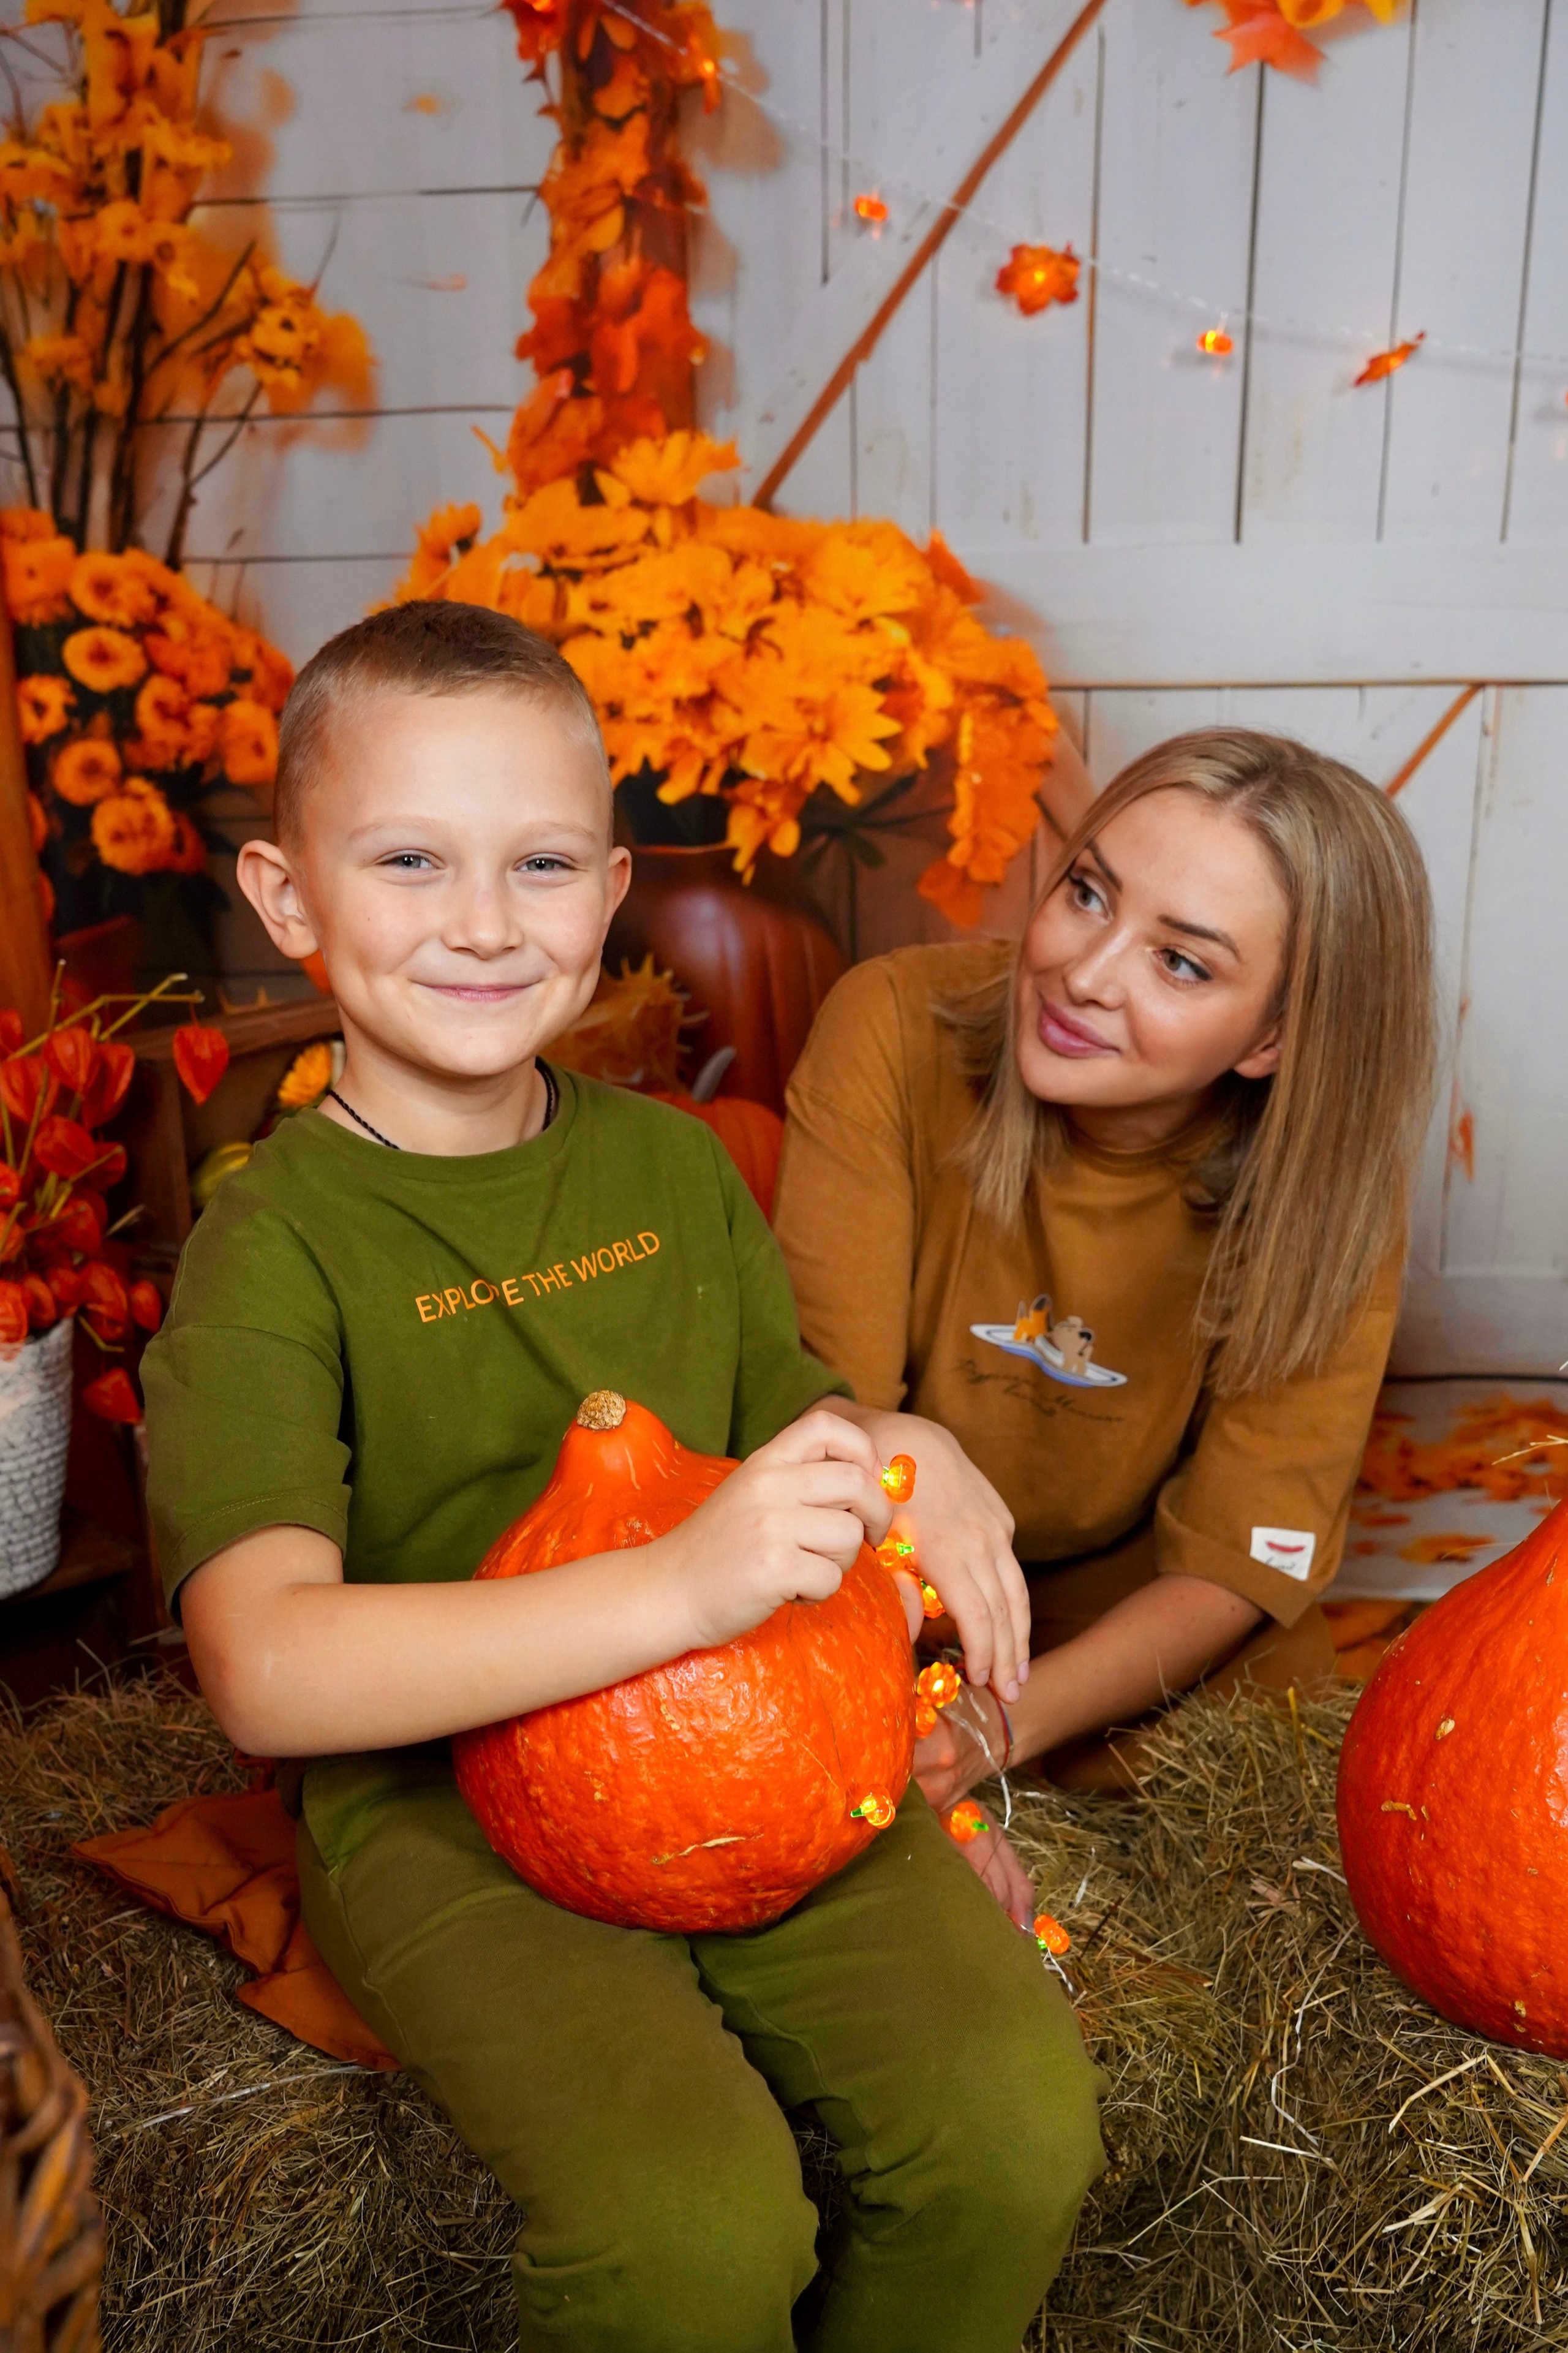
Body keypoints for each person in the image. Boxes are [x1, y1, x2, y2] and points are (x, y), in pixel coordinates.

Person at [140, 602, 1103, 2353]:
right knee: (695, 2224)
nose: (486, 922)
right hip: (443, 1808)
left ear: (609, 892)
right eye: (413, 860)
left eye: (542, 864)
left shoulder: (672, 1168)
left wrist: (914, 1451)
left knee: (1017, 2131)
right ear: (288, 901)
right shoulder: (272, 1249)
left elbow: (802, 1450)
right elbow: (267, 1668)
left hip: (770, 1754)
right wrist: (675, 1588)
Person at [774, 730, 1435, 1808]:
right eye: (1087, 893)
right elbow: (818, 1413)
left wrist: (992, 1728)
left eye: (1181, 961)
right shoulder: (892, 1026)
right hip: (883, 1564)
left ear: (1272, 1037)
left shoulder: (1332, 1188)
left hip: (1133, 1624)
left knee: (1300, 1811)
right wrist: (905, 1465)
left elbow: (1236, 1558)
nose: (1082, 975)